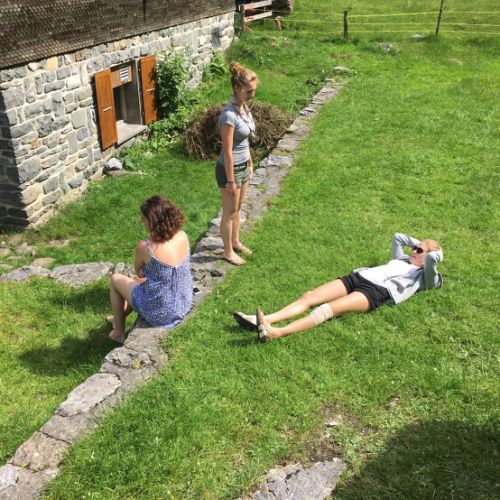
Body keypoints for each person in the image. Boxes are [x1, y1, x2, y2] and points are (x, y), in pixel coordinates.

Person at [233, 233, 443, 342]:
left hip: (374, 292)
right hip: (358, 277)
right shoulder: (402, 258)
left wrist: (432, 252)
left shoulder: (424, 277)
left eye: (419, 250)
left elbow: (433, 259)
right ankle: (264, 320)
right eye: (414, 247)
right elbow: (398, 237)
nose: (413, 250)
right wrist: (420, 244)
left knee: (327, 309)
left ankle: (276, 333)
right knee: (310, 296)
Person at [108, 196, 193, 343]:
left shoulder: (145, 247)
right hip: (183, 303)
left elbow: (139, 271)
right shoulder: (183, 236)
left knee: (116, 279)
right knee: (137, 284)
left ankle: (119, 332)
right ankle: (118, 317)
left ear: (154, 221)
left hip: (160, 314)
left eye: (144, 218)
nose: (142, 221)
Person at [216, 62, 258, 266]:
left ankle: (235, 241)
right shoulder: (229, 115)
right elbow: (228, 151)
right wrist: (231, 181)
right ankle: (227, 252)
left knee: (238, 208)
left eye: (254, 90)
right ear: (237, 88)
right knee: (229, 212)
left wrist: (250, 161)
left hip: (243, 166)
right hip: (229, 170)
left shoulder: (244, 108)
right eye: (249, 91)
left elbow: (245, 139)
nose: (252, 94)